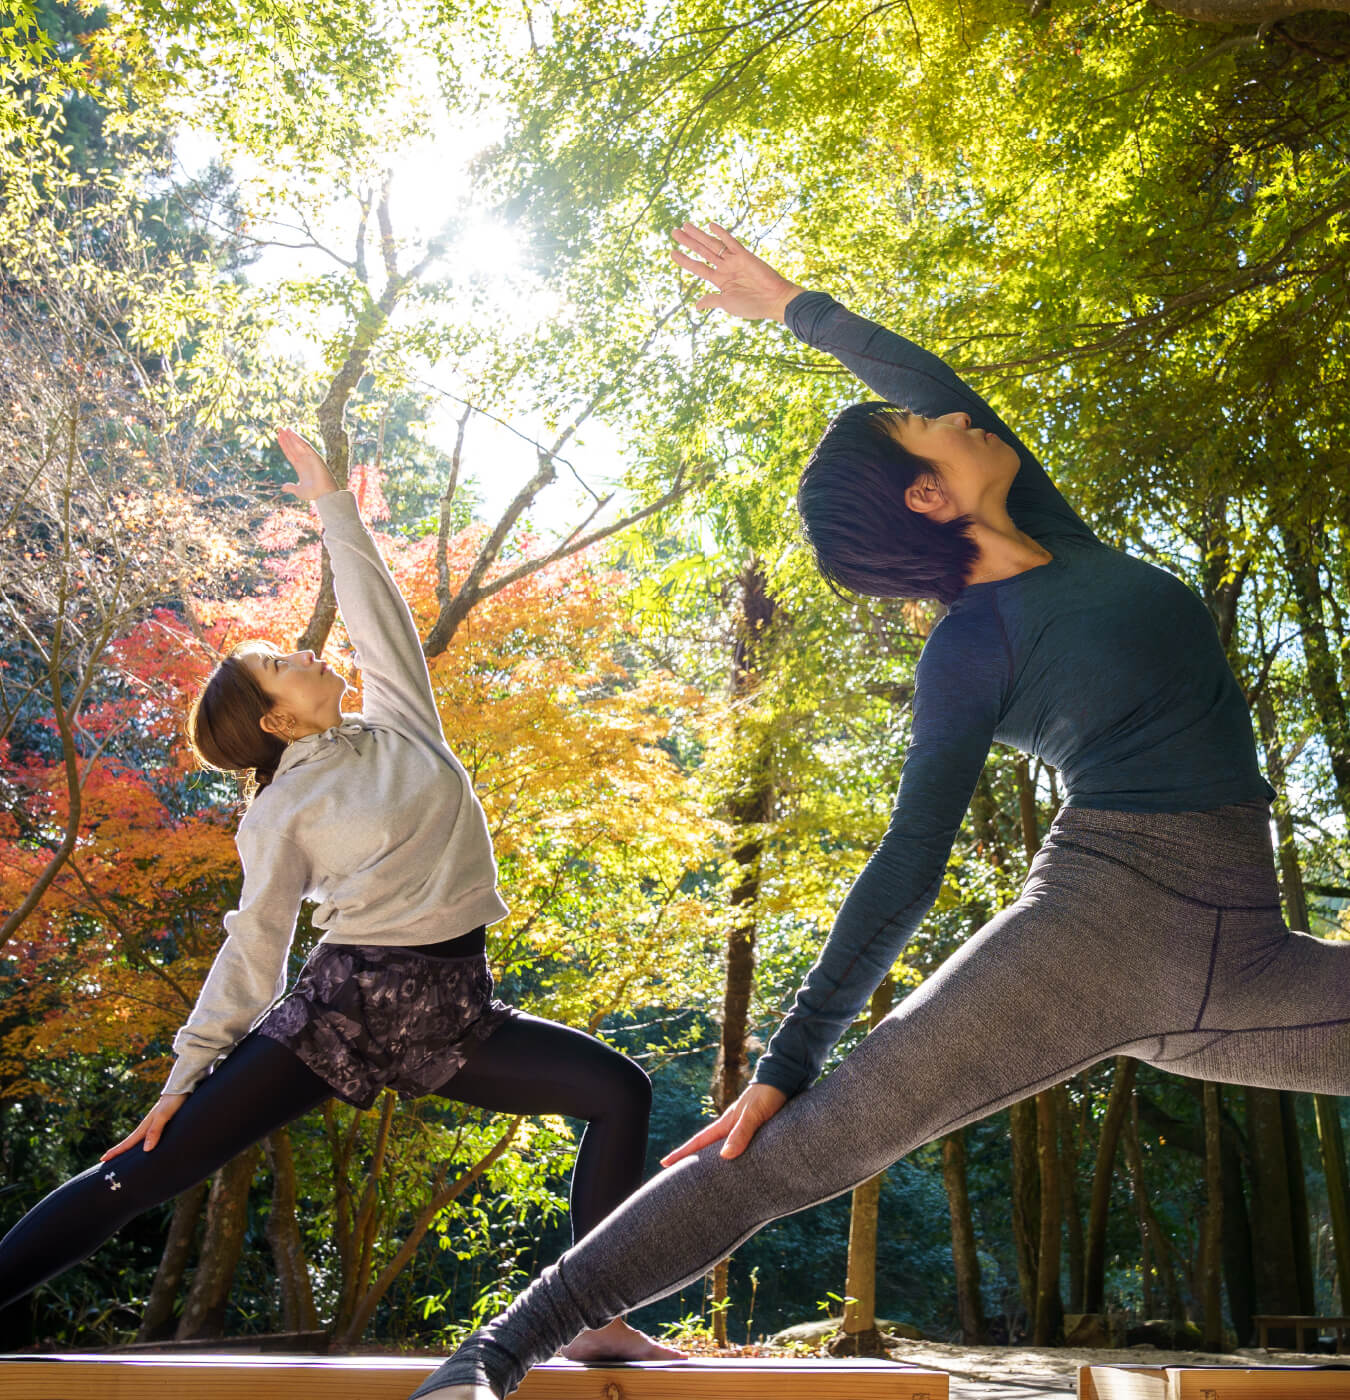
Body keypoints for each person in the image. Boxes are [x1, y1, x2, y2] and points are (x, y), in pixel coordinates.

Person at [411, 222, 1350, 1400]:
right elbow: (909, 862)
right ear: (926, 490)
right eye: (932, 432)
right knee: (788, 1152)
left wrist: (793, 303)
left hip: (1251, 953)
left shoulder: (1046, 533)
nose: (963, 414)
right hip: (1101, 930)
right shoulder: (970, 649)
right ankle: (488, 1358)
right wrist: (785, 1061)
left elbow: (931, 382)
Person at [0, 429, 681, 1365]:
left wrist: (332, 503)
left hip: (454, 1013)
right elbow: (256, 943)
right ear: (275, 718)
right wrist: (183, 1075)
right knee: (151, 1167)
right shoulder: (281, 811)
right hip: (342, 1012)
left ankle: (594, 1320)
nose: (307, 653)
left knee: (617, 1090)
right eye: (283, 662)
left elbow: (377, 617)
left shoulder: (400, 726)